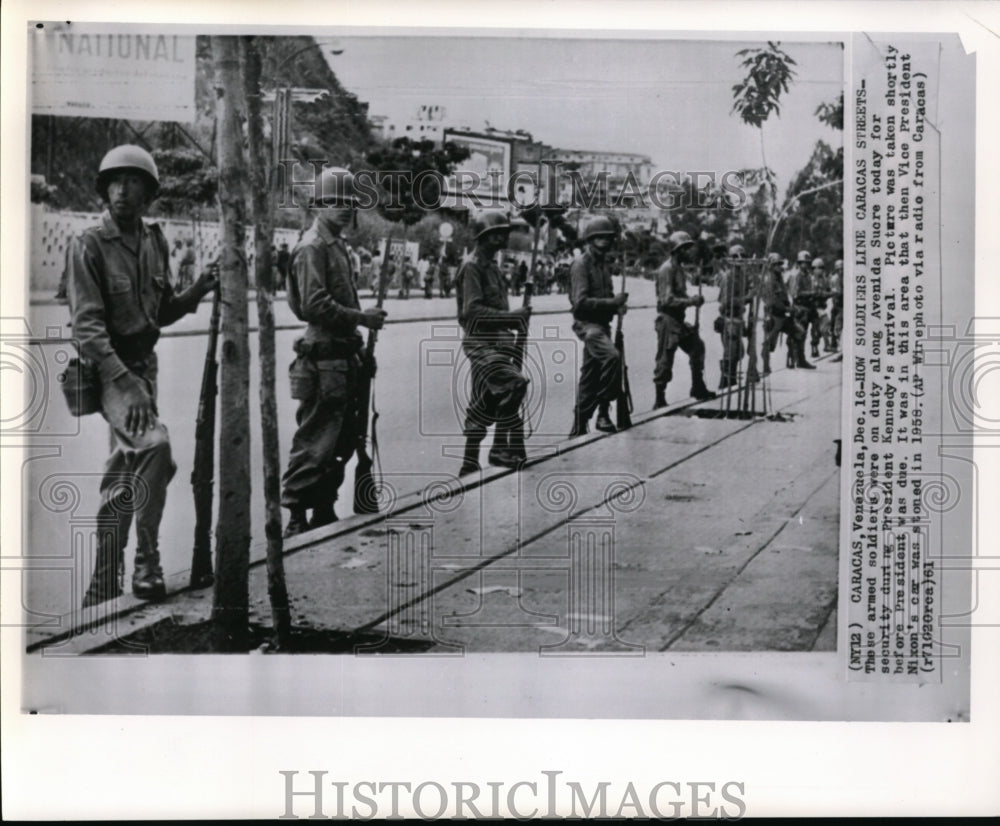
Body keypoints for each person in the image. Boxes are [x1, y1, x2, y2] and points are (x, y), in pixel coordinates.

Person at [68, 144, 218, 606]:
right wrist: (126, 383)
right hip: (109, 371)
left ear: (149, 193)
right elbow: (87, 329)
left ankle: (101, 579)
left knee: (126, 469)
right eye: (114, 182)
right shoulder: (89, 244)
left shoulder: (154, 241)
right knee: (156, 448)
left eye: (133, 182)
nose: (122, 190)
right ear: (104, 189)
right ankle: (146, 560)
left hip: (141, 371)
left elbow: (163, 310)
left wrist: (198, 289)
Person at [280, 167, 388, 538]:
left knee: (342, 438)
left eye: (348, 203)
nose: (343, 209)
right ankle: (296, 513)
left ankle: (323, 507)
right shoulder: (313, 247)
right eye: (333, 202)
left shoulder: (337, 245)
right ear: (318, 206)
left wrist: (360, 347)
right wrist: (363, 318)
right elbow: (315, 305)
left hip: (343, 356)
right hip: (323, 358)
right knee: (315, 440)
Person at [455, 213, 531, 474]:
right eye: (498, 233)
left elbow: (495, 308)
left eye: (504, 232)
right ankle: (499, 448)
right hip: (480, 343)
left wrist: (513, 324)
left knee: (484, 398)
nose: (504, 237)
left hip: (496, 342)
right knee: (513, 384)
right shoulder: (472, 266)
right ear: (484, 237)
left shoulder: (492, 266)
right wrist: (512, 318)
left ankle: (469, 462)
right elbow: (472, 312)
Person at [568, 216, 628, 435]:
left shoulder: (604, 265)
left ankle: (578, 424)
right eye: (600, 237)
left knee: (590, 374)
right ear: (590, 239)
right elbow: (580, 304)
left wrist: (617, 307)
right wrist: (612, 303)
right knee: (611, 357)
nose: (605, 241)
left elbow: (608, 297)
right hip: (587, 325)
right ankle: (602, 410)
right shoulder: (581, 264)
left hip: (603, 324)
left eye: (608, 238)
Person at [653, 230, 717, 409]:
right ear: (677, 250)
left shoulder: (679, 269)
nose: (689, 251)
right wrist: (691, 301)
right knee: (665, 360)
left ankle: (697, 387)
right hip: (668, 320)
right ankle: (659, 399)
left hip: (679, 321)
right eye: (685, 248)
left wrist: (692, 299)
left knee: (697, 347)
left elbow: (680, 295)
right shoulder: (667, 269)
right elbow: (667, 299)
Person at [714, 244, 757, 389]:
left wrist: (750, 294)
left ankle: (730, 379)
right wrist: (746, 298)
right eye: (736, 257)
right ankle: (726, 381)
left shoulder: (743, 276)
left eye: (742, 257)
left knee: (739, 352)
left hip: (739, 318)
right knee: (731, 351)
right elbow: (726, 302)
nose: (740, 260)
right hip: (729, 318)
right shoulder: (728, 277)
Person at [761, 252, 808, 375]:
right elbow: (772, 300)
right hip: (774, 314)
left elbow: (784, 296)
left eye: (780, 264)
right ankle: (766, 367)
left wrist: (790, 307)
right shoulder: (769, 280)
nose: (779, 267)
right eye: (776, 264)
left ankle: (794, 358)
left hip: (783, 314)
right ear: (771, 265)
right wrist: (786, 309)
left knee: (799, 332)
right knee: (769, 343)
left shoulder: (780, 278)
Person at [785, 250, 819, 367]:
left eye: (808, 263)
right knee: (798, 334)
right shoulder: (796, 275)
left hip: (807, 306)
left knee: (804, 334)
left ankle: (800, 359)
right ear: (799, 263)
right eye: (804, 262)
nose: (807, 265)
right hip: (799, 307)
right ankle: (794, 359)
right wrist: (811, 293)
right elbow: (795, 293)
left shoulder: (807, 275)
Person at [829, 258, 844, 351]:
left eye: (842, 269)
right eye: (838, 269)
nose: (840, 271)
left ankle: (839, 344)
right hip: (837, 304)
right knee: (833, 324)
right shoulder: (834, 279)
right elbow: (834, 291)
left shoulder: (847, 277)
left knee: (838, 325)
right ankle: (834, 343)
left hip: (843, 304)